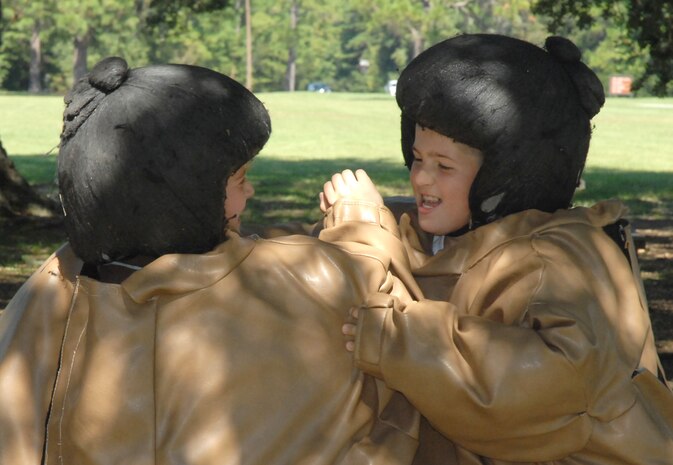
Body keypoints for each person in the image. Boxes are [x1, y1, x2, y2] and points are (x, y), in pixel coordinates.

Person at [0, 57, 422, 465]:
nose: (251, 193)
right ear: (189, 195)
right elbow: (379, 305)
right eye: (239, 179)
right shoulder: (305, 278)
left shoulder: (49, 292)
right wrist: (361, 222)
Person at [319, 34, 673, 464]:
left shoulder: (558, 258)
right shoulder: (479, 236)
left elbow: (550, 388)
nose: (421, 179)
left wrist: (394, 334)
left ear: (511, 174)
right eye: (417, 158)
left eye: (444, 166)